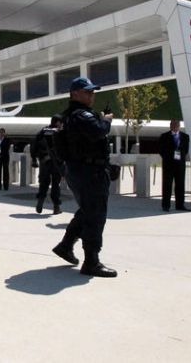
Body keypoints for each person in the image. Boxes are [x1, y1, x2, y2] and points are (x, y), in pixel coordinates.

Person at [51, 77, 117, 278]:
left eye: (92, 92)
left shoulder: (69, 115)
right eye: (87, 92)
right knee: (95, 215)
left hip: (80, 170)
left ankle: (65, 245)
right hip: (89, 171)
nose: (91, 95)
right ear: (75, 94)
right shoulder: (81, 115)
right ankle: (91, 261)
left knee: (87, 211)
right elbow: (97, 132)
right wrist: (105, 121)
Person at [31, 114, 64, 214]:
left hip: (44, 162)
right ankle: (56, 207)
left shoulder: (43, 131)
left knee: (44, 183)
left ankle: (40, 201)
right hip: (56, 163)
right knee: (55, 185)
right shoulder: (58, 132)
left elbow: (34, 144)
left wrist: (34, 159)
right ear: (58, 122)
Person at [159, 120, 191, 212]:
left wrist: (179, 157)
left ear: (179, 126)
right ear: (170, 126)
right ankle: (166, 205)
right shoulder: (164, 136)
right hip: (168, 164)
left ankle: (180, 205)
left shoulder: (185, 136)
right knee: (167, 185)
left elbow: (186, 150)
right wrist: (169, 157)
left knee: (180, 185)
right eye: (173, 125)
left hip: (180, 164)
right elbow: (161, 150)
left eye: (177, 125)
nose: (175, 127)